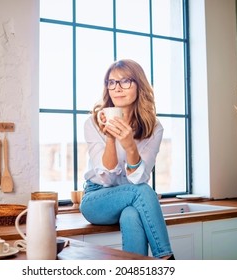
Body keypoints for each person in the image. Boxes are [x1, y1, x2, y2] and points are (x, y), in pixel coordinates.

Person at [79, 59, 174, 260]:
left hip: (131, 196)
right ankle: (166, 259)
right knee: (141, 192)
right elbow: (108, 180)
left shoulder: (153, 128)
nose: (117, 88)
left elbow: (138, 179)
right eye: (111, 82)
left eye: (125, 81)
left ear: (139, 85)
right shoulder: (93, 123)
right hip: (97, 199)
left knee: (132, 214)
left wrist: (130, 145)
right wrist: (110, 139)